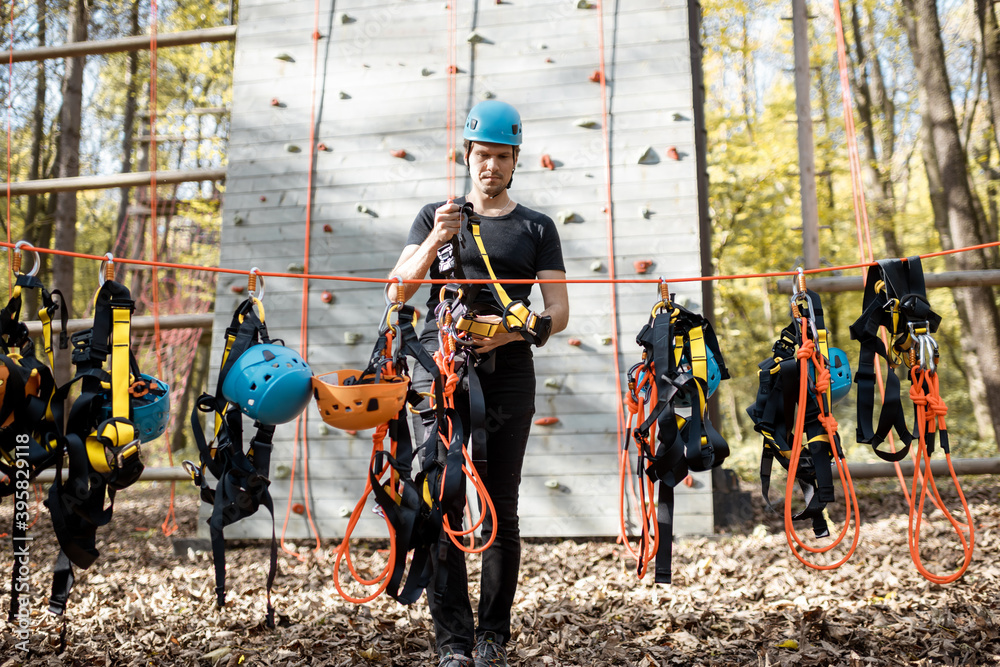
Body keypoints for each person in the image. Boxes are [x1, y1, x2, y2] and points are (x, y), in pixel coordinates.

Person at [389, 100, 569, 667]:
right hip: (443, 375)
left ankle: (492, 636)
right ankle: (453, 643)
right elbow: (398, 292)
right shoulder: (435, 218)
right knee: (444, 501)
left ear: (515, 161)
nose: (489, 166)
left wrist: (514, 332)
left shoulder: (536, 227)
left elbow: (558, 311)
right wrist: (432, 240)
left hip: (510, 374)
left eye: (500, 156)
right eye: (480, 155)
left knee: (501, 507)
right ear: (467, 157)